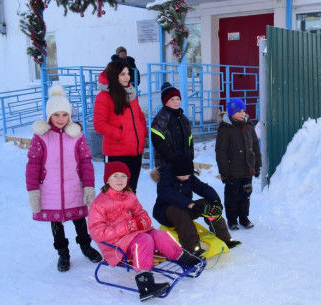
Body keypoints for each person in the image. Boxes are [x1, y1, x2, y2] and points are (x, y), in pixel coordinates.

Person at [88, 161, 204, 302]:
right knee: (145, 240)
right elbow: (97, 231)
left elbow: (141, 214)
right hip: (117, 245)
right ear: (107, 179)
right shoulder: (100, 203)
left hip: (134, 236)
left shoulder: (129, 195)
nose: (120, 179)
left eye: (123, 176)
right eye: (115, 176)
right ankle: (145, 283)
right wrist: (128, 226)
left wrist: (142, 222)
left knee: (159, 235)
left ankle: (185, 259)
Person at [26, 84, 102, 272]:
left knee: (79, 220)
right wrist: (33, 191)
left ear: (70, 115)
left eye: (64, 114)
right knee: (56, 224)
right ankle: (63, 253)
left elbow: (85, 161)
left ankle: (86, 246)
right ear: (49, 115)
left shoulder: (76, 136)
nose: (61, 119)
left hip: (74, 187)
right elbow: (33, 164)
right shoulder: (41, 137)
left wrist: (89, 186)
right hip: (50, 189)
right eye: (56, 115)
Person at [151, 154, 242, 256]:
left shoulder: (188, 177)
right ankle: (192, 248)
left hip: (186, 208)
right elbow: (173, 197)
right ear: (176, 172)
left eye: (189, 174)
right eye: (184, 175)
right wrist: (193, 206)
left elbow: (202, 187)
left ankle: (225, 239)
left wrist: (216, 202)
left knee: (207, 204)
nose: (187, 177)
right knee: (179, 210)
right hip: (165, 213)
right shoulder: (165, 179)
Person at [94, 60, 147, 193]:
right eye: (122, 74)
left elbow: (139, 116)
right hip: (116, 153)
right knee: (115, 192)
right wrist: (121, 135)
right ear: (114, 75)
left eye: (128, 73)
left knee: (131, 190)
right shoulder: (104, 96)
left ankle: (129, 215)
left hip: (135, 151)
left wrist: (141, 133)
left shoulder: (130, 93)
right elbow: (99, 124)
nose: (127, 77)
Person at [215, 98, 262, 230]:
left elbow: (255, 147)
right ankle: (232, 219)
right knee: (232, 196)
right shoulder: (225, 128)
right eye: (238, 111)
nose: (242, 114)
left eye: (243, 111)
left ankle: (244, 218)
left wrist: (257, 166)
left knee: (245, 195)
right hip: (232, 170)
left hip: (247, 169)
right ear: (231, 113)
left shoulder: (249, 126)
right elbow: (221, 152)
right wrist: (224, 172)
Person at [150, 82, 194, 168]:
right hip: (166, 164)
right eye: (172, 99)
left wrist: (189, 157)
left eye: (178, 99)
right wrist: (173, 159)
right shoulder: (160, 118)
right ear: (165, 101)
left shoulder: (183, 118)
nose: (176, 102)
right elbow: (158, 142)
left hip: (183, 162)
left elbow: (190, 139)